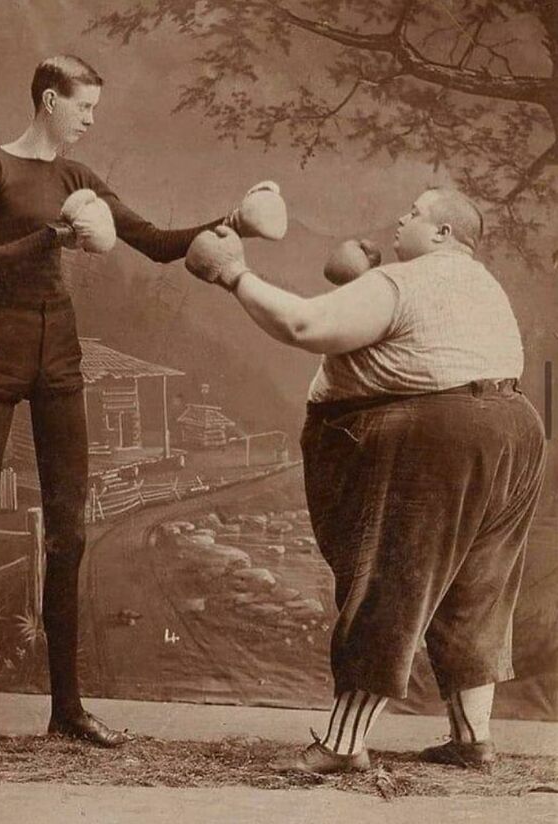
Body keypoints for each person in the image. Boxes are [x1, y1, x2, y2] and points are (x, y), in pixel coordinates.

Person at [0, 54, 274, 756]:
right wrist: (54, 236)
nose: (91, 119)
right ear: (50, 100)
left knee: (70, 532)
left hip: (59, 357)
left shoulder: (77, 178)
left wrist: (229, 220)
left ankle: (67, 709)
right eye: (84, 106)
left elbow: (151, 243)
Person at [185, 187, 546, 773]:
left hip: (439, 438)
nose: (400, 217)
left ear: (443, 235)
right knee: (476, 591)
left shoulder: (405, 282)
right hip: (516, 432)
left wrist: (233, 275)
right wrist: (358, 286)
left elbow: (302, 326)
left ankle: (343, 745)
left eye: (415, 212)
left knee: (390, 582)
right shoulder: (482, 284)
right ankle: (472, 737)